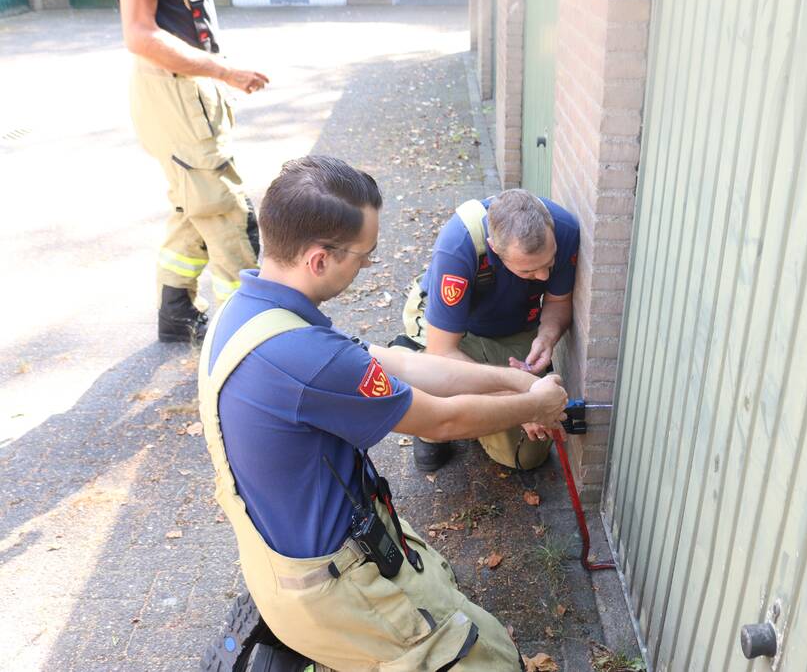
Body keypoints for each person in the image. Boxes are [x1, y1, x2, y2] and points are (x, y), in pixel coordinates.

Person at [198, 156, 567, 670]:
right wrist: (534, 404)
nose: (367, 267)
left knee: (441, 587)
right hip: (332, 587)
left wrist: (514, 381)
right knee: (495, 662)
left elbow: (402, 363)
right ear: (319, 259)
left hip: (298, 552)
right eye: (365, 256)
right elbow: (442, 421)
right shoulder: (306, 360)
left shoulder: (251, 315)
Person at [117, 0, 268, 343]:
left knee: (194, 202)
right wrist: (225, 71)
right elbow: (139, 33)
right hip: (177, 88)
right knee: (225, 210)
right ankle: (244, 336)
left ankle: (176, 312)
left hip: (187, 85)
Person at [397, 189, 580, 472]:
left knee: (527, 457)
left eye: (549, 263)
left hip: (513, 325)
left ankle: (473, 413)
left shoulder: (565, 229)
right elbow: (442, 352)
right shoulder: (458, 244)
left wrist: (547, 337)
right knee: (433, 380)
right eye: (529, 272)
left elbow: (557, 301)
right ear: (495, 249)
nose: (543, 276)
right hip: (453, 333)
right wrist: (523, 405)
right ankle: (433, 428)